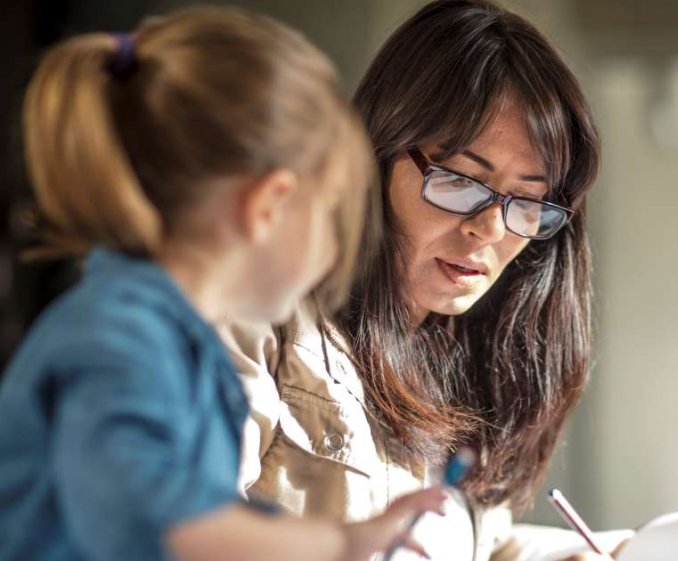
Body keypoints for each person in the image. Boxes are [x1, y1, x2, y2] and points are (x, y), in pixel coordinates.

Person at [0, 7, 446, 561]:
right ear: (270, 206)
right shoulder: (119, 339)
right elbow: (171, 528)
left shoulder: (172, 342)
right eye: (333, 213)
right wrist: (340, 544)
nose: (341, 252)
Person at [222, 1, 629, 559]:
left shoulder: (463, 349)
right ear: (377, 156)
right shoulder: (260, 316)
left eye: (528, 202)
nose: (488, 229)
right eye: (461, 182)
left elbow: (479, 545)